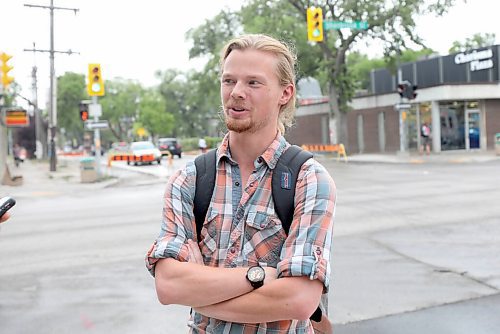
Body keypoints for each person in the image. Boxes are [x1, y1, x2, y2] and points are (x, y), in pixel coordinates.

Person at [146, 34, 336, 333]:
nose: (236, 92)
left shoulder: (308, 179)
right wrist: (260, 276)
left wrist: (201, 295)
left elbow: (299, 300)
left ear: (284, 94)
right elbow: (169, 285)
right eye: (228, 81)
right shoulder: (191, 179)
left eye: (253, 83)